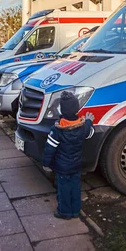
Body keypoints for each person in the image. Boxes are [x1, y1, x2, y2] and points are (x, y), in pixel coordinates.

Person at [42, 90, 94, 220]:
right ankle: (75, 211)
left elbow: (49, 149)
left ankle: (65, 212)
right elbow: (90, 132)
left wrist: (46, 164)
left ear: (61, 110)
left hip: (62, 168)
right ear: (77, 110)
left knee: (63, 190)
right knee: (75, 188)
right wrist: (89, 121)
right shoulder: (82, 127)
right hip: (76, 166)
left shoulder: (57, 130)